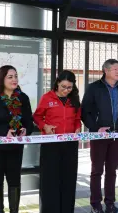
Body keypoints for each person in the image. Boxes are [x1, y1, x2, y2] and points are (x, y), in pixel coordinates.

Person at [0, 65, 34, 213]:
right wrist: (4, 132)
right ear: (1, 79)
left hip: (15, 148)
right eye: (10, 77)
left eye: (15, 76)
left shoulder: (23, 98)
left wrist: (25, 130)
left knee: (14, 181)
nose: (14, 79)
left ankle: (14, 211)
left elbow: (29, 122)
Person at [82, 59, 118, 213]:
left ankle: (110, 203)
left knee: (112, 171)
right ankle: (95, 204)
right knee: (97, 171)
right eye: (115, 69)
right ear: (106, 70)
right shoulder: (94, 88)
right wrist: (96, 128)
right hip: (99, 137)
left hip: (116, 136)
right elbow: (85, 111)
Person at [33, 70, 81, 213]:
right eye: (63, 87)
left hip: (70, 144)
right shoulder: (47, 98)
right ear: (57, 83)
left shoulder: (74, 99)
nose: (66, 90)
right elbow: (36, 117)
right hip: (51, 145)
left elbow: (78, 119)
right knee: (50, 180)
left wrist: (77, 128)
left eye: (69, 87)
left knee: (68, 179)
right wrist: (45, 126)